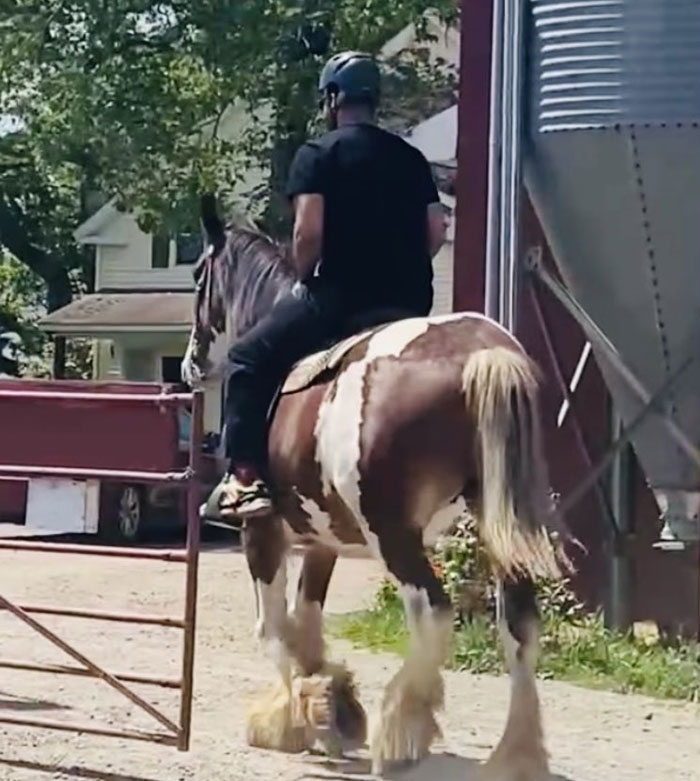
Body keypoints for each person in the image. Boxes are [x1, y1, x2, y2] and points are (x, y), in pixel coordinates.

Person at [218, 51, 447, 520]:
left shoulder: (318, 155)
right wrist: (401, 271)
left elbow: (308, 233)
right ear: (374, 99)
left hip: (342, 299)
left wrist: (304, 278)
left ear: (332, 99)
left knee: (244, 359)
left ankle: (245, 480)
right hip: (408, 301)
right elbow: (436, 232)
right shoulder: (411, 159)